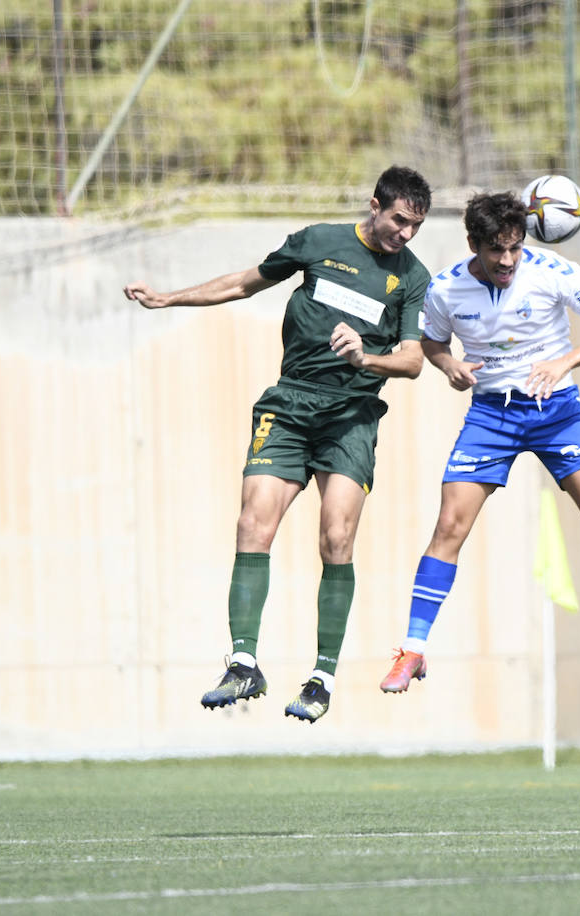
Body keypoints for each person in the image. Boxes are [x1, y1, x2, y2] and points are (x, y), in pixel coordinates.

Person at [122, 165, 433, 724]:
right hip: (289, 405)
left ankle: (321, 677)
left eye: (416, 226)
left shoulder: (412, 276)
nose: (405, 234)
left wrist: (366, 358)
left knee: (336, 534)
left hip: (351, 417)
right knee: (251, 523)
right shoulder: (318, 242)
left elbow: (412, 360)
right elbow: (246, 281)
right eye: (399, 220)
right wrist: (169, 298)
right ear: (375, 205)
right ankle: (243, 663)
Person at [377, 190, 580, 693]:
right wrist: (450, 366)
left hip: (558, 413)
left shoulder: (553, 270)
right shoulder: (444, 290)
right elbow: (434, 344)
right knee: (448, 526)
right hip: (490, 416)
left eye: (514, 248)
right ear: (473, 244)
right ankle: (413, 651)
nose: (507, 261)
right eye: (496, 251)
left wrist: (563, 362)